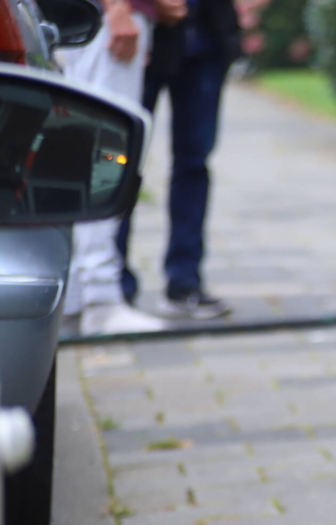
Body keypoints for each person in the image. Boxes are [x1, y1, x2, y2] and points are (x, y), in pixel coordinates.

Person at [115, 0, 250, 319]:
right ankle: (113, 284)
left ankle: (184, 282)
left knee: (194, 163)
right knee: (121, 162)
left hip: (207, 38)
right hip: (143, 33)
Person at [60, 0, 186, 335]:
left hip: (94, 18)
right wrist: (118, 9)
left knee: (82, 151)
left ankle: (75, 297)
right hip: (113, 20)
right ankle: (99, 298)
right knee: (106, 153)